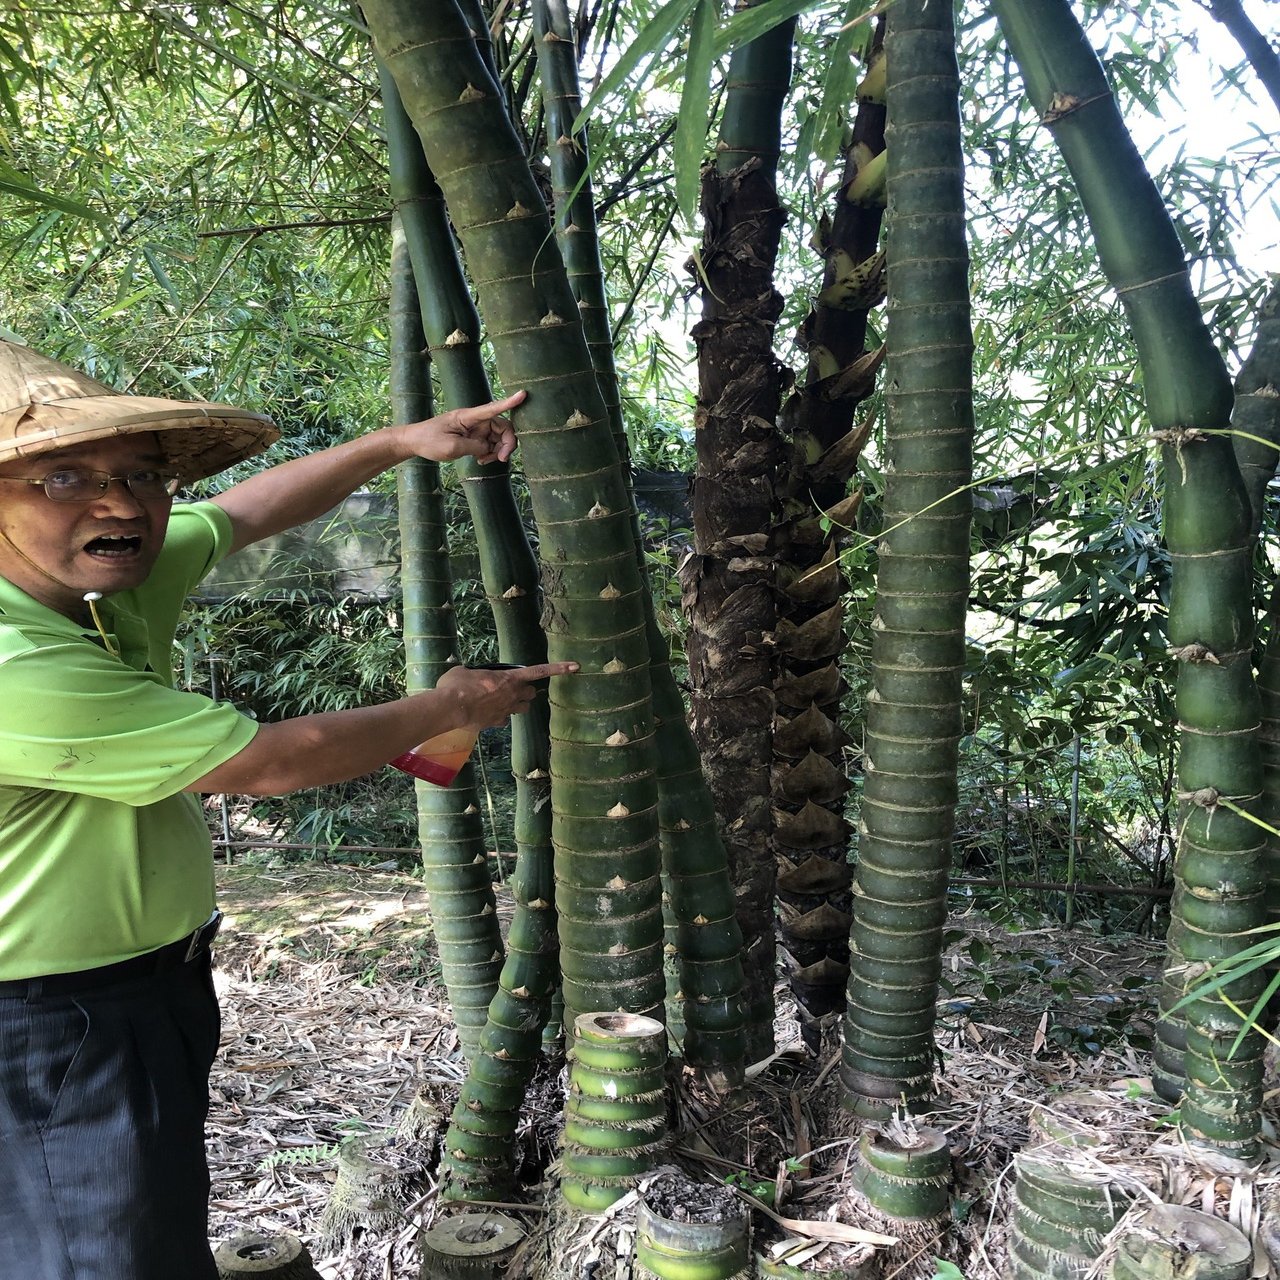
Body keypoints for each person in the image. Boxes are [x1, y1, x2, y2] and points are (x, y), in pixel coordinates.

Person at [0, 339, 575, 1280]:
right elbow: (266, 764)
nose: (120, 503)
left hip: (140, 990)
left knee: (134, 1232)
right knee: (99, 1253)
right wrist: (450, 706)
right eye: (62, 476)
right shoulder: (14, 660)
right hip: (50, 1021)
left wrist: (398, 443)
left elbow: (240, 512)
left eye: (138, 475)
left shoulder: (96, 583)